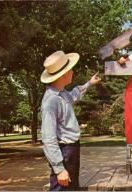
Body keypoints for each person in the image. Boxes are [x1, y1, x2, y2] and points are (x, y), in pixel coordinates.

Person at [40, 50, 101, 191]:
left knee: (72, 188)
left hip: (71, 149)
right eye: (70, 69)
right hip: (64, 152)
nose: (72, 71)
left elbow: (75, 94)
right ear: (63, 75)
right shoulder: (51, 101)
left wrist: (89, 84)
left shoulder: (62, 94)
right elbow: (48, 138)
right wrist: (59, 168)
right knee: (60, 187)